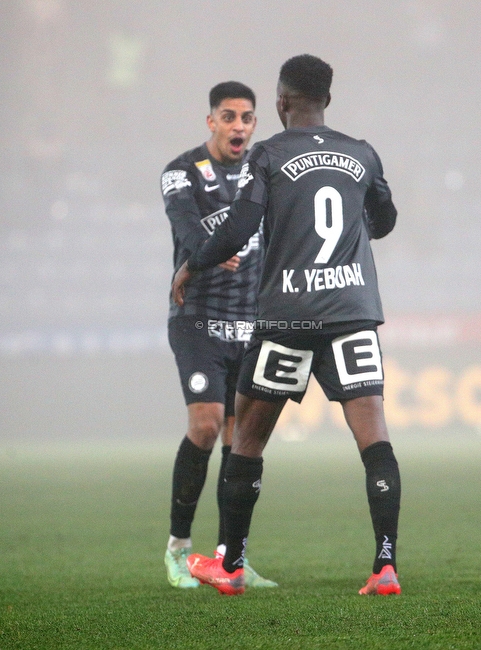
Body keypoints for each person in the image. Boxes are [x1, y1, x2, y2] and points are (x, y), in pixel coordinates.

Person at [172, 54, 401, 596]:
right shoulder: (361, 153)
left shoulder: (268, 155)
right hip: (352, 312)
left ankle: (229, 565)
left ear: (280, 102)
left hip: (288, 316)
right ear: (327, 100)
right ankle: (385, 566)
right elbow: (386, 221)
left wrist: (192, 262)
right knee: (375, 439)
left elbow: (237, 231)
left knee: (247, 438)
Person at [161, 81, 276, 590]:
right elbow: (187, 230)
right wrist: (209, 250)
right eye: (228, 117)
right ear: (211, 121)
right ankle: (178, 549)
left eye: (247, 118)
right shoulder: (180, 172)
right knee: (206, 427)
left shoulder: (265, 171)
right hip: (197, 320)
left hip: (250, 325)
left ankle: (232, 557)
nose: (238, 126)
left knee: (241, 439)